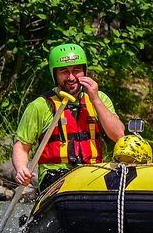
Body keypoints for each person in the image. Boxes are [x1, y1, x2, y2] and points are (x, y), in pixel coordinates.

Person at [12, 43, 125, 186]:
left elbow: (118, 135)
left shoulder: (99, 99)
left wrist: (95, 99)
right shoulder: (39, 106)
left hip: (92, 172)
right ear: (55, 74)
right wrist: (21, 168)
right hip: (55, 176)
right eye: (64, 71)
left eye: (76, 70)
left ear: (84, 71)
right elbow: (21, 147)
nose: (71, 77)